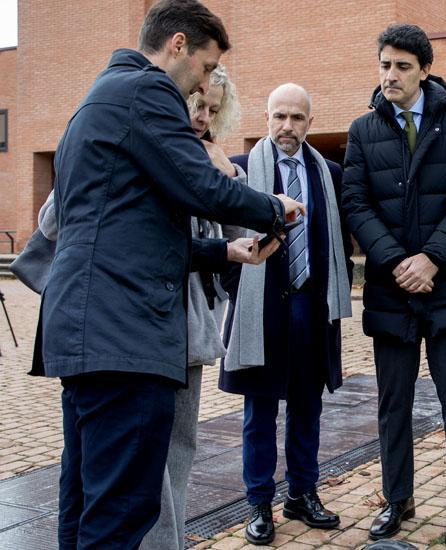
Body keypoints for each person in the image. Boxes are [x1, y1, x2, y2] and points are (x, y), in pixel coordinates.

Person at [32, 1, 303, 548]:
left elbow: (132, 235)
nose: (201, 88)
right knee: (121, 512)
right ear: (177, 45)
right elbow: (198, 185)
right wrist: (274, 207)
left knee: (85, 500)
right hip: (124, 333)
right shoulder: (146, 90)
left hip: (86, 331)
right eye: (205, 68)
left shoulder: (95, 101)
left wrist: (225, 254)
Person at [341, 23, 446, 549]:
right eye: (384, 64)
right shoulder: (363, 130)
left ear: (425, 69)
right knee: (392, 402)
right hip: (391, 290)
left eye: (402, 66)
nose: (390, 75)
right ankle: (397, 498)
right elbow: (356, 203)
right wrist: (400, 261)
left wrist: (431, 259)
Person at [220, 83, 353, 546]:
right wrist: (241, 290)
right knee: (259, 413)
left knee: (307, 408)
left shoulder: (328, 174)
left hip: (313, 310)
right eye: (279, 116)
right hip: (262, 312)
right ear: (266, 118)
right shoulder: (240, 171)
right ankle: (258, 502)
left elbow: (343, 244)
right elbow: (227, 243)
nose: (287, 127)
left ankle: (302, 493)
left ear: (310, 123)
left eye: (296, 118)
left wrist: (338, 291)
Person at [140, 64, 267, 550]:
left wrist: (230, 175)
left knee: (181, 445)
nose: (203, 117)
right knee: (154, 448)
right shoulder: (155, 148)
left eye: (214, 110)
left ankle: (168, 540)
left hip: (196, 324)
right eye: (199, 105)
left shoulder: (209, 158)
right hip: (154, 320)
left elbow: (240, 238)